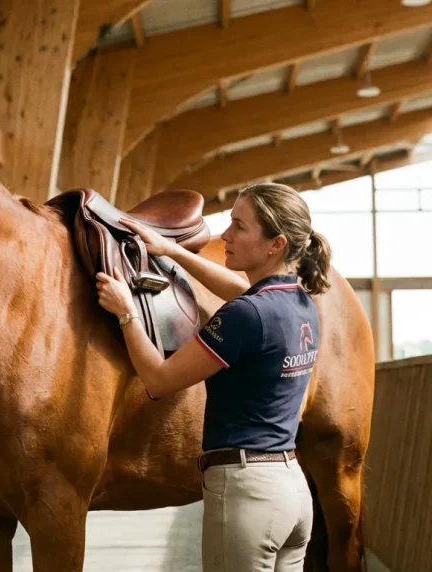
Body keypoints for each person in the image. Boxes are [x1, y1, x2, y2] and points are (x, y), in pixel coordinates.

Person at [95, 182, 331, 572]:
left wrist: (126, 313)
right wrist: (173, 252)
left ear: (276, 244)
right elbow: (243, 292)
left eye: (239, 226)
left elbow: (158, 380)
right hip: (291, 488)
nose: (225, 235)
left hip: (249, 495)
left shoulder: (246, 315)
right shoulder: (301, 304)